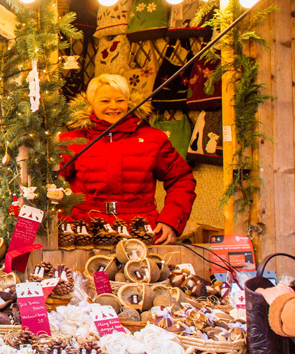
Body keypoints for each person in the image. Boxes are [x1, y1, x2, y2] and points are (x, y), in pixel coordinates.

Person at [60, 74, 196, 244]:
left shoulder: (153, 139)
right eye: (105, 101)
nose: (114, 107)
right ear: (90, 104)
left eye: (120, 100)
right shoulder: (72, 141)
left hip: (141, 231)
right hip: (86, 233)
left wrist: (171, 220)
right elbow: (47, 184)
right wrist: (64, 223)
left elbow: (181, 179)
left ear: (129, 102)